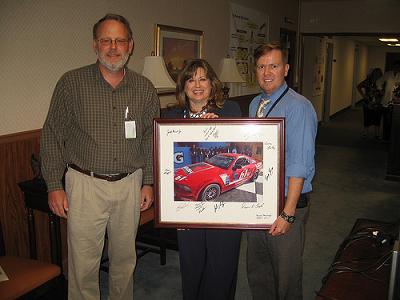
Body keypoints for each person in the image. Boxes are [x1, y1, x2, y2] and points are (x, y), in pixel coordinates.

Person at [40, 14, 160, 300]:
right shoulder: (71, 83)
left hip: (130, 184)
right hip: (85, 185)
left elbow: (149, 139)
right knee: (83, 265)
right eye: (106, 40)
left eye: (120, 40)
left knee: (124, 261)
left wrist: (149, 181)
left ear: (130, 45)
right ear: (95, 45)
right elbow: (52, 134)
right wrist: (54, 185)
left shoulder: (144, 88)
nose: (113, 47)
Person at [162, 59, 242, 300]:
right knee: (191, 265)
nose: (197, 85)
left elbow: (243, 146)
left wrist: (219, 127)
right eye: (190, 79)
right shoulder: (171, 117)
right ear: (183, 86)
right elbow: (166, 165)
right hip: (187, 206)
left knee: (223, 265)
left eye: (203, 79)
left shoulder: (230, 111)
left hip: (225, 208)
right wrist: (173, 210)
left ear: (212, 84)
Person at [247, 42, 317, 300]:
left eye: (273, 66)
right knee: (259, 270)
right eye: (261, 66)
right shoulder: (256, 104)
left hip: (286, 203)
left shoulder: (299, 106)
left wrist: (288, 214)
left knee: (286, 277)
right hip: (259, 199)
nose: (267, 72)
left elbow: (299, 163)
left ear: (285, 69)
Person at [376, 60, 400, 140]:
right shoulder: (388, 74)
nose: (396, 68)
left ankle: (394, 138)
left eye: (398, 67)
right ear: (393, 67)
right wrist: (380, 89)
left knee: (396, 121)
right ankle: (386, 137)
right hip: (386, 100)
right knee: (387, 120)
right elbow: (379, 81)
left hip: (397, 102)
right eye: (395, 66)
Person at [357, 67, 383, 138]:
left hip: (378, 103)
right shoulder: (368, 81)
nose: (377, 75)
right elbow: (358, 86)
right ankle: (365, 132)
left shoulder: (382, 82)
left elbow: (384, 92)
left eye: (378, 74)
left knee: (377, 118)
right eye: (375, 73)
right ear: (373, 74)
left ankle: (377, 134)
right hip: (367, 102)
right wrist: (363, 95)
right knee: (367, 117)